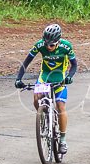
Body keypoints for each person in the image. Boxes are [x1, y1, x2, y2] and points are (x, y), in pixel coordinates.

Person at [14, 23, 77, 153]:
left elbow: (74, 65)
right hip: (45, 77)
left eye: (52, 45)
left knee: (60, 106)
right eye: (47, 43)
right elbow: (26, 62)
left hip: (60, 78)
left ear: (58, 41)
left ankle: (63, 140)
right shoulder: (40, 45)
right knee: (36, 99)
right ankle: (44, 119)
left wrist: (70, 76)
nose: (49, 47)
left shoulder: (66, 46)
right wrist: (19, 78)